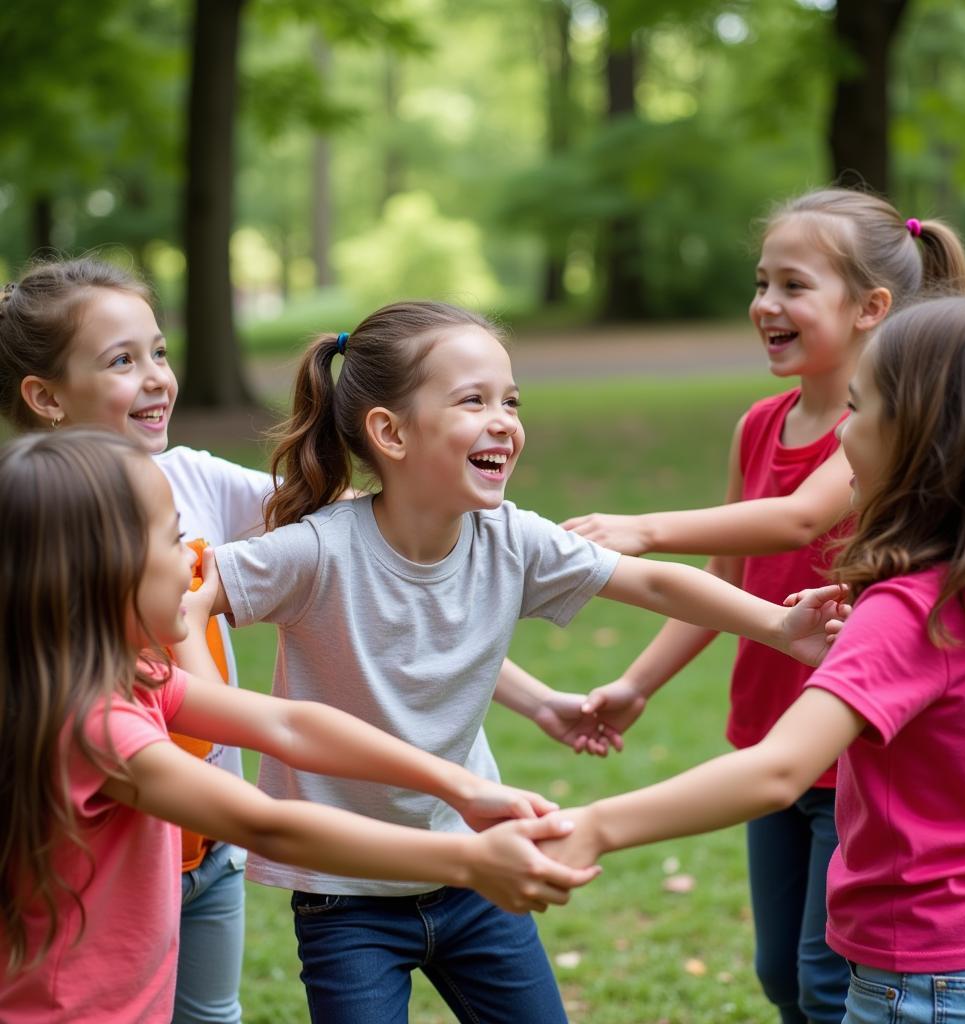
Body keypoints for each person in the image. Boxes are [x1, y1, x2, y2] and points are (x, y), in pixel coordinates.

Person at [199, 299, 848, 1023]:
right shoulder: (317, 551)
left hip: (479, 870)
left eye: (511, 400)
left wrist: (780, 627)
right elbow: (189, 592)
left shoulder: (507, 538)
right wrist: (197, 699)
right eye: (472, 400)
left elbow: (654, 579)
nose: (504, 419)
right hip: (346, 893)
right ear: (390, 432)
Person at [0, 427, 605, 1024]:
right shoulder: (94, 726)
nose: (194, 557)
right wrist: (468, 861)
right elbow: (264, 823)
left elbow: (291, 725)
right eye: (174, 537)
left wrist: (463, 787)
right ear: (102, 572)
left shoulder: (126, 678)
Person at [541, 294, 965, 1024]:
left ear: (924, 439)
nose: (840, 439)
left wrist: (598, 825)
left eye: (857, 412)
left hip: (916, 981)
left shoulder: (905, 611)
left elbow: (778, 770)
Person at [0, 259, 272, 1024]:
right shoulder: (31, 526)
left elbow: (331, 526)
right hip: (101, 859)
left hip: (207, 848)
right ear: (47, 397)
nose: (157, 377)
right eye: (123, 360)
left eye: (159, 351)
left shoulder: (195, 478)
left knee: (210, 1015)